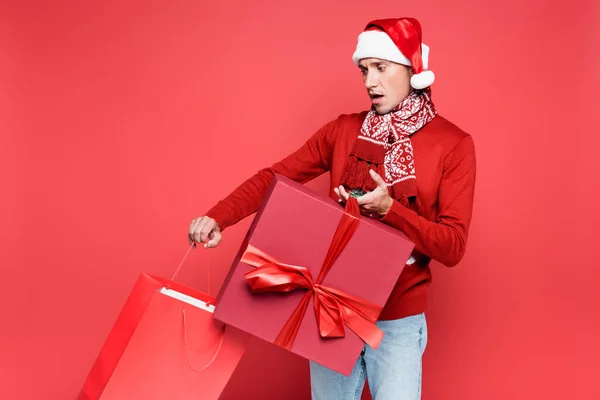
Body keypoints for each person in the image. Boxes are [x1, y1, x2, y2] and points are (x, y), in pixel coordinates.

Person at [188, 17, 476, 400]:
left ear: (412, 69)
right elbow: (275, 176)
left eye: (380, 68)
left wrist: (391, 209)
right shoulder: (342, 131)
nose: (369, 81)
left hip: (398, 319)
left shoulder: (453, 144)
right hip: (332, 309)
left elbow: (452, 246)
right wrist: (218, 216)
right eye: (363, 70)